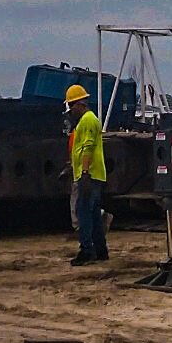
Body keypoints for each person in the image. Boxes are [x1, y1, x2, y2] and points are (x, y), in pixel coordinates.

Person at [64, 84, 107, 265]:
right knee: (94, 213)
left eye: (71, 106)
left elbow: (88, 147)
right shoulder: (85, 121)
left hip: (90, 175)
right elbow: (81, 149)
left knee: (84, 212)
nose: (70, 111)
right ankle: (100, 249)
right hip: (91, 174)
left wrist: (84, 173)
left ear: (79, 104)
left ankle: (87, 250)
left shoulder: (88, 120)